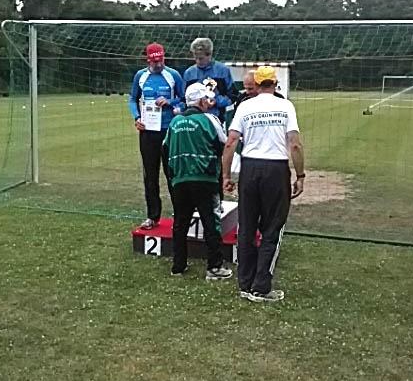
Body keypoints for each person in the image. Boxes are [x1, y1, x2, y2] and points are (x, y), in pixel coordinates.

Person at [222, 66, 305, 303]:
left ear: (257, 85)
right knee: (272, 228)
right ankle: (261, 286)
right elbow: (295, 144)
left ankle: (245, 283)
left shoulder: (245, 106)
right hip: (276, 170)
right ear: (275, 84)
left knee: (247, 227)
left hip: (250, 168)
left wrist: (226, 175)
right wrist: (300, 175)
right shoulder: (285, 106)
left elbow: (230, 142)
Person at [162, 82, 233, 281]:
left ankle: (178, 266)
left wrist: (172, 176)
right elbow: (223, 145)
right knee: (211, 222)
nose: (208, 102)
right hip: (205, 179)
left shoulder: (174, 122)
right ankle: (214, 267)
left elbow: (165, 149)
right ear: (201, 101)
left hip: (180, 180)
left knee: (180, 223)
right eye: (206, 99)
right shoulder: (209, 119)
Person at [129, 42, 184, 229]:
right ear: (148, 61)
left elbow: (184, 100)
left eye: (161, 60)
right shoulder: (141, 76)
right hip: (148, 131)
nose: (158, 64)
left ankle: (180, 215)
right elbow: (133, 99)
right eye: (155, 62)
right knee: (150, 175)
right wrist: (137, 117)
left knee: (173, 174)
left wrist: (169, 102)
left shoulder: (173, 75)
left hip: (169, 130)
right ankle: (153, 216)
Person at [183, 37, 238, 123]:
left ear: (209, 55)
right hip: (194, 119)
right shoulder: (189, 73)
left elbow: (233, 95)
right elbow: (183, 98)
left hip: (217, 119)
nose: (198, 61)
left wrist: (216, 101)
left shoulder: (222, 70)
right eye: (195, 58)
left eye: (201, 58)